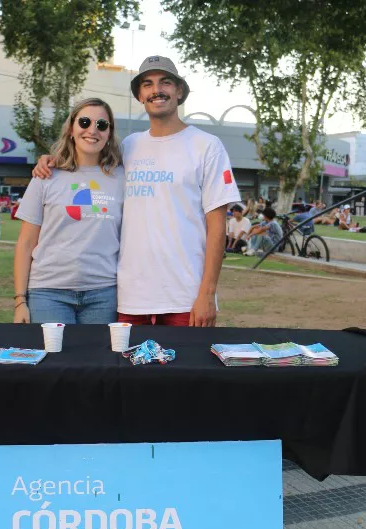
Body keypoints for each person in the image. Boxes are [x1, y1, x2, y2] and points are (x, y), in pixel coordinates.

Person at [34, 55, 240, 327]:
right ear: (140, 95)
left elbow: (217, 227)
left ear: (179, 91)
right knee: (126, 369)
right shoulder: (129, 147)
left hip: (185, 298)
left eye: (165, 82)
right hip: (131, 298)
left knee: (185, 370)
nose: (157, 90)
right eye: (148, 84)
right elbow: (87, 159)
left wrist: (207, 293)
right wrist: (52, 160)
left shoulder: (207, 146)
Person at [14, 98, 124, 325]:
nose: (92, 130)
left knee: (97, 361)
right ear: (72, 129)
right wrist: (19, 300)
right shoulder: (45, 176)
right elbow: (26, 243)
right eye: (85, 122)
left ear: (109, 133)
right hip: (48, 292)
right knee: (54, 359)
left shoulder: (123, 177)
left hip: (103, 293)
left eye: (102, 125)